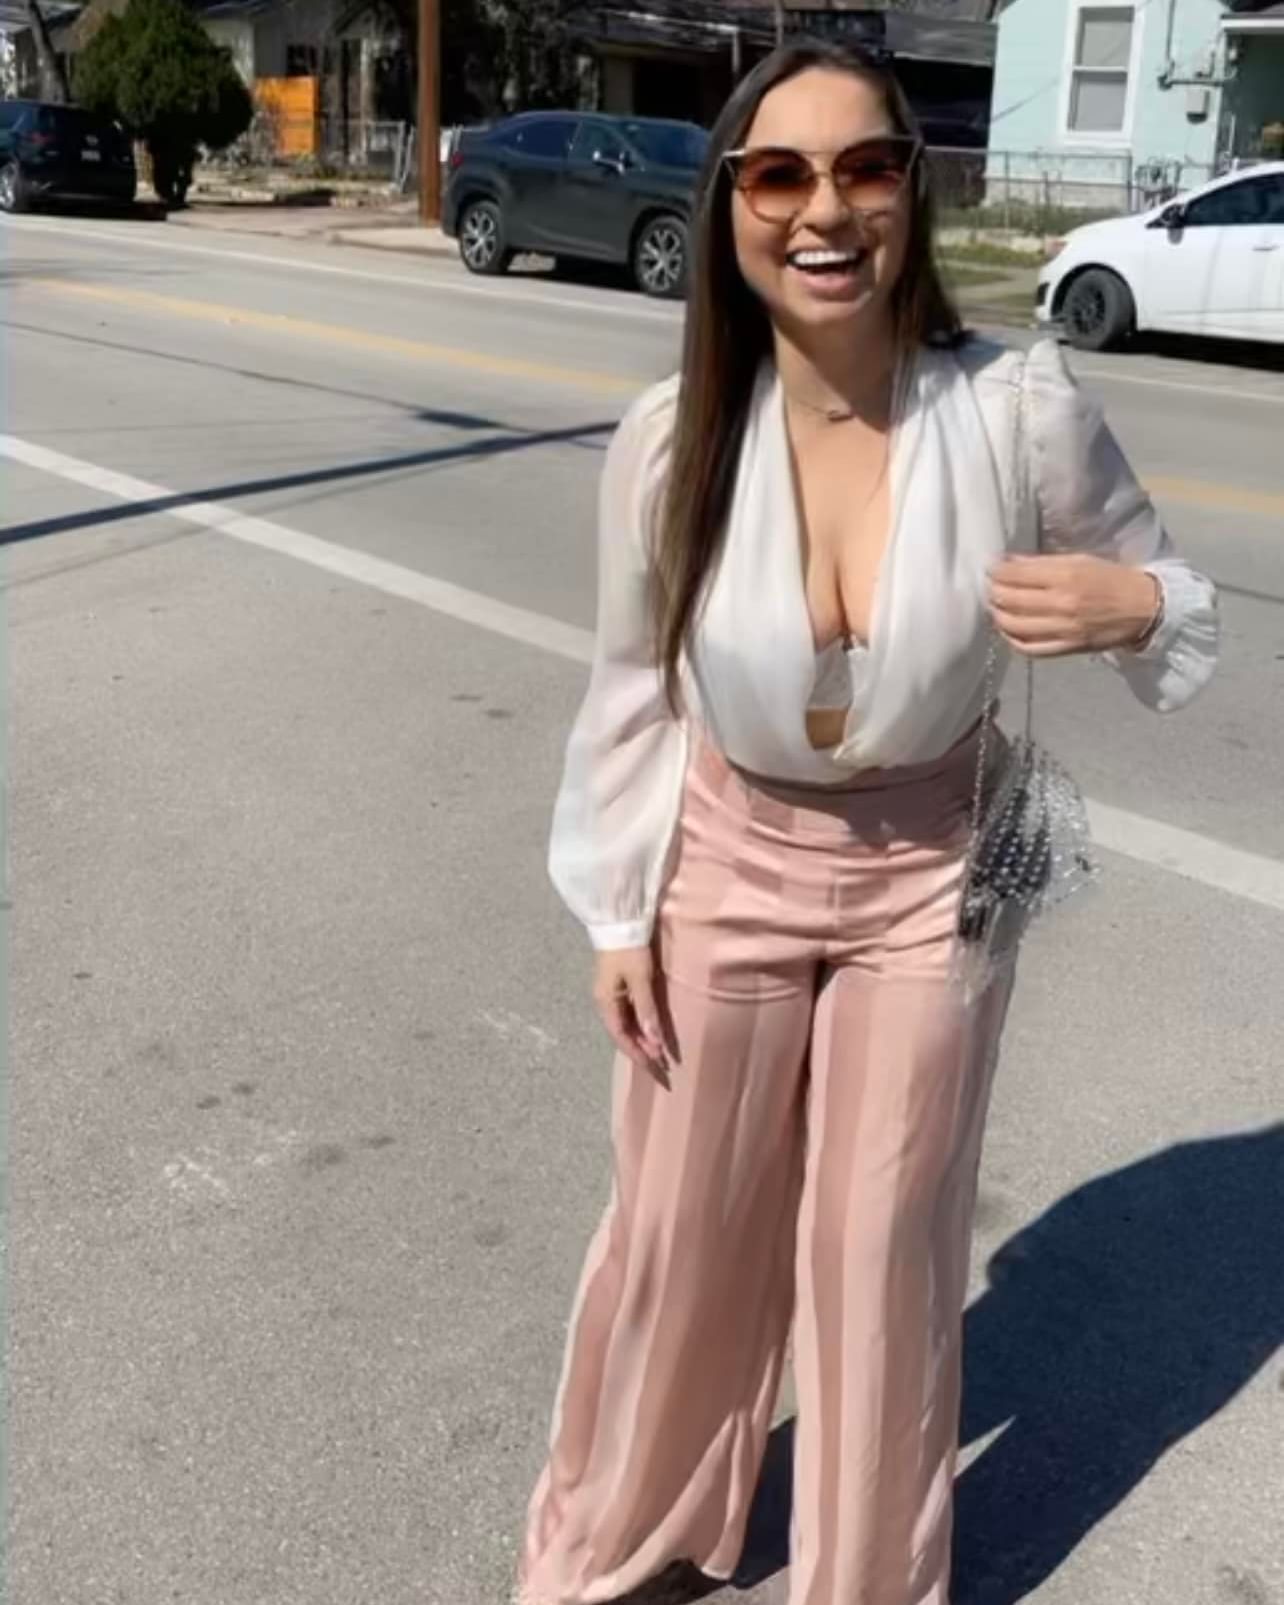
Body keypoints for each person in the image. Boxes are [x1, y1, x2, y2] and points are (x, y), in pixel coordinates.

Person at [517, 40, 1219, 1605]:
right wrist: (618, 909)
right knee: (680, 1229)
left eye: (866, 167)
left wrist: (1125, 604)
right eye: (779, 173)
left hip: (932, 876)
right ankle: (626, 1537)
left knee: (880, 1249)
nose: (824, 210)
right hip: (725, 858)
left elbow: (1176, 597)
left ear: (913, 187)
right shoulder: (673, 437)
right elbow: (632, 685)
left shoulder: (1020, 408)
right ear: (729, 207)